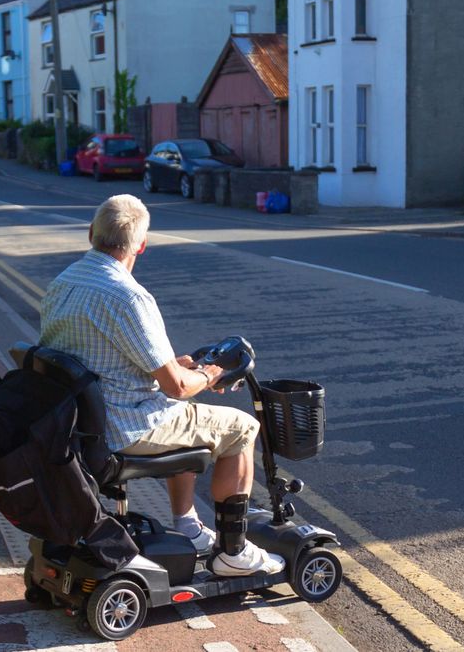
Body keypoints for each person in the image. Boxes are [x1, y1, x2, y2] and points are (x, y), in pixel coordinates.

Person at [39, 194, 284, 576]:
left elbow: (111, 357)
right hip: (123, 427)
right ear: (141, 244)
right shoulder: (128, 296)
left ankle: (188, 526)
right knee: (240, 428)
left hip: (76, 423)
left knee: (190, 418)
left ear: (91, 234)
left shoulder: (62, 283)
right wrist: (208, 375)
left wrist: (179, 366)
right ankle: (233, 552)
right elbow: (176, 388)